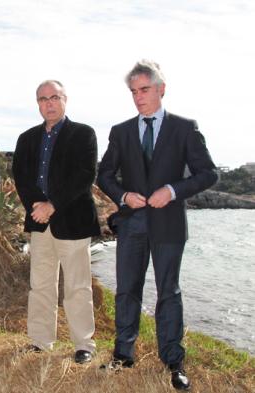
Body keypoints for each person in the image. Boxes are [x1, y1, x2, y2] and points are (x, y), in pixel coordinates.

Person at [97, 60, 217, 390]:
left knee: (169, 292)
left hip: (169, 224)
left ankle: (174, 362)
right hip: (132, 224)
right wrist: (123, 196)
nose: (138, 97)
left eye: (144, 90)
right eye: (133, 91)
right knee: (126, 291)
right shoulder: (120, 132)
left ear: (161, 89)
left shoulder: (185, 128)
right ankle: (123, 354)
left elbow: (209, 173)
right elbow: (104, 174)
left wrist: (173, 190)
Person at [11, 80, 100, 364]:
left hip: (72, 221)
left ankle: (83, 344)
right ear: (37, 103)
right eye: (42, 99)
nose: (48, 103)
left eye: (54, 97)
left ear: (65, 99)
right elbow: (21, 177)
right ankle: (40, 341)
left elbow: (83, 176)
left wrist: (52, 206)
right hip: (39, 222)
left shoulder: (83, 134)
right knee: (41, 285)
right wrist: (37, 207)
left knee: (77, 286)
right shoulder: (26, 138)